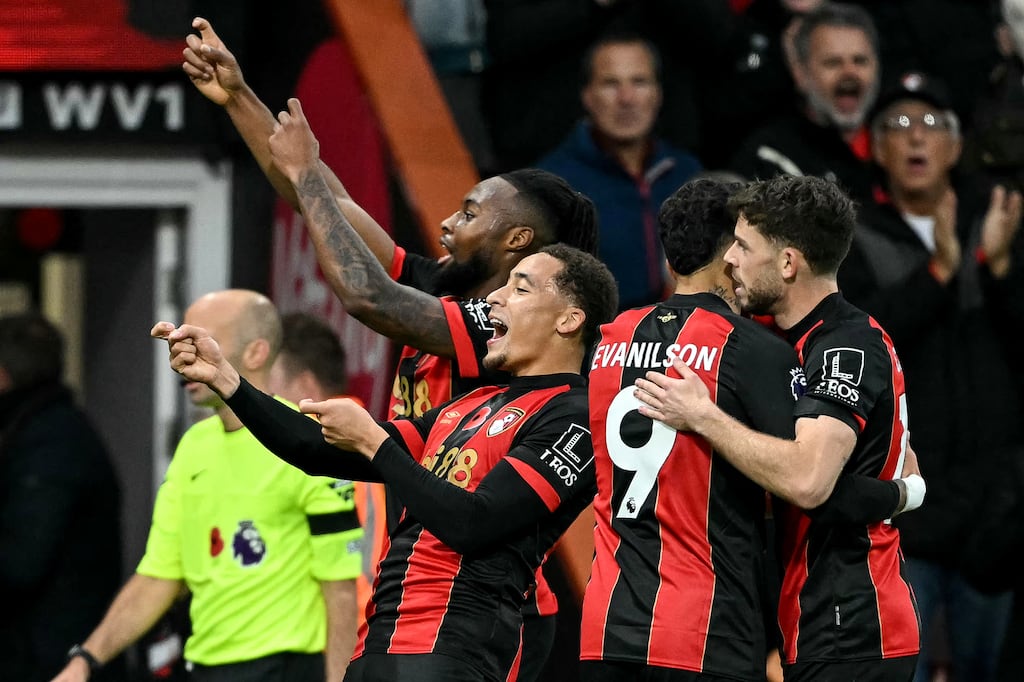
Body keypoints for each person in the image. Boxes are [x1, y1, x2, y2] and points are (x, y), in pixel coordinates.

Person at [182, 19, 600, 677]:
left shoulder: (498, 329)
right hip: (421, 566)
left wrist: (308, 177)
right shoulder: (443, 286)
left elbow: (366, 296)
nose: (447, 221)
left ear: (517, 242)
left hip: (489, 594)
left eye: (469, 212)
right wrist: (239, 96)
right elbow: (323, 198)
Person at [153, 245, 619, 682]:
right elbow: (317, 449)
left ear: (569, 320)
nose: (494, 298)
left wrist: (376, 443)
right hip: (379, 640)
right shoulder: (473, 402)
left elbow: (475, 522)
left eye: (520, 288)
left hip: (458, 647)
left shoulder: (575, 416)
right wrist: (228, 381)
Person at [582, 177, 920, 681]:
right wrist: (905, 492)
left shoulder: (844, 347)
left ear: (787, 264)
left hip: (850, 621)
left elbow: (809, 482)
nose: (731, 260)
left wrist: (704, 416)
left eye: (743, 246)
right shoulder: (796, 345)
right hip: (813, 622)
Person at [52, 290, 363, 682]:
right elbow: (159, 577)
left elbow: (340, 591)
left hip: (286, 670)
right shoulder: (193, 447)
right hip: (201, 667)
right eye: (178, 341)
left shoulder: (310, 443)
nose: (181, 356)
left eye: (199, 340)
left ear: (256, 353)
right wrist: (85, 661)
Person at [840, 72, 1024, 682]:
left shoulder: (1001, 216)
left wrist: (996, 271)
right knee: (900, 669)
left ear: (955, 145)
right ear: (875, 147)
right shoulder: (850, 233)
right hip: (903, 511)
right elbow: (860, 344)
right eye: (897, 125)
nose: (914, 139)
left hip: (994, 510)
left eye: (930, 125)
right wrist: (940, 273)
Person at [0, 314, 124, 682]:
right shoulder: (34, 430)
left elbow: (19, 562)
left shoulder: (51, 443)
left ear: (4, 373)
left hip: (54, 659)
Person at [538, 33, 702, 311]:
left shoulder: (687, 173)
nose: (626, 98)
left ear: (658, 94)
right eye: (610, 83)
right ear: (587, 96)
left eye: (639, 82)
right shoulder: (551, 186)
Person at [268, 311, 382, 646]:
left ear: (305, 386)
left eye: (267, 383)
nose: (260, 400)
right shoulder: (363, 436)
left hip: (355, 640)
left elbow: (361, 567)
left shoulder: (341, 447)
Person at [730, 3, 880, 204]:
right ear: (800, 73)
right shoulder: (770, 158)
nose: (849, 72)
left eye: (860, 61)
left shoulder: (897, 145)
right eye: (833, 62)